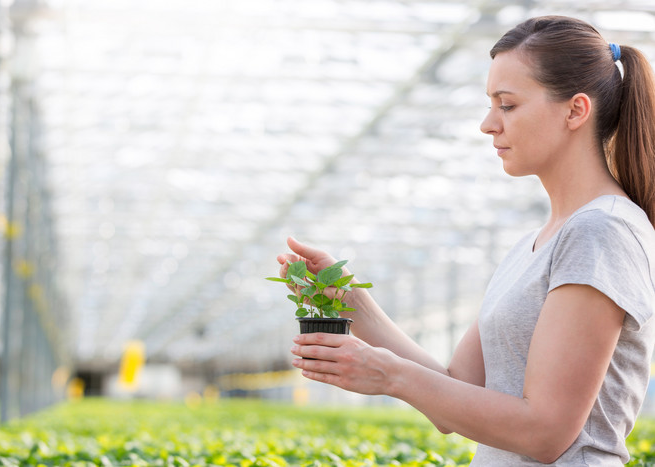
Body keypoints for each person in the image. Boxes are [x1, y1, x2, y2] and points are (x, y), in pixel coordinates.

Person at [275, 16, 655, 466]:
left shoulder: (601, 231)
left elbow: (546, 431)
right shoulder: (534, 245)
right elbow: (458, 387)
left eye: (507, 105)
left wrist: (389, 374)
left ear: (575, 110)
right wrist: (353, 304)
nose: (487, 124)